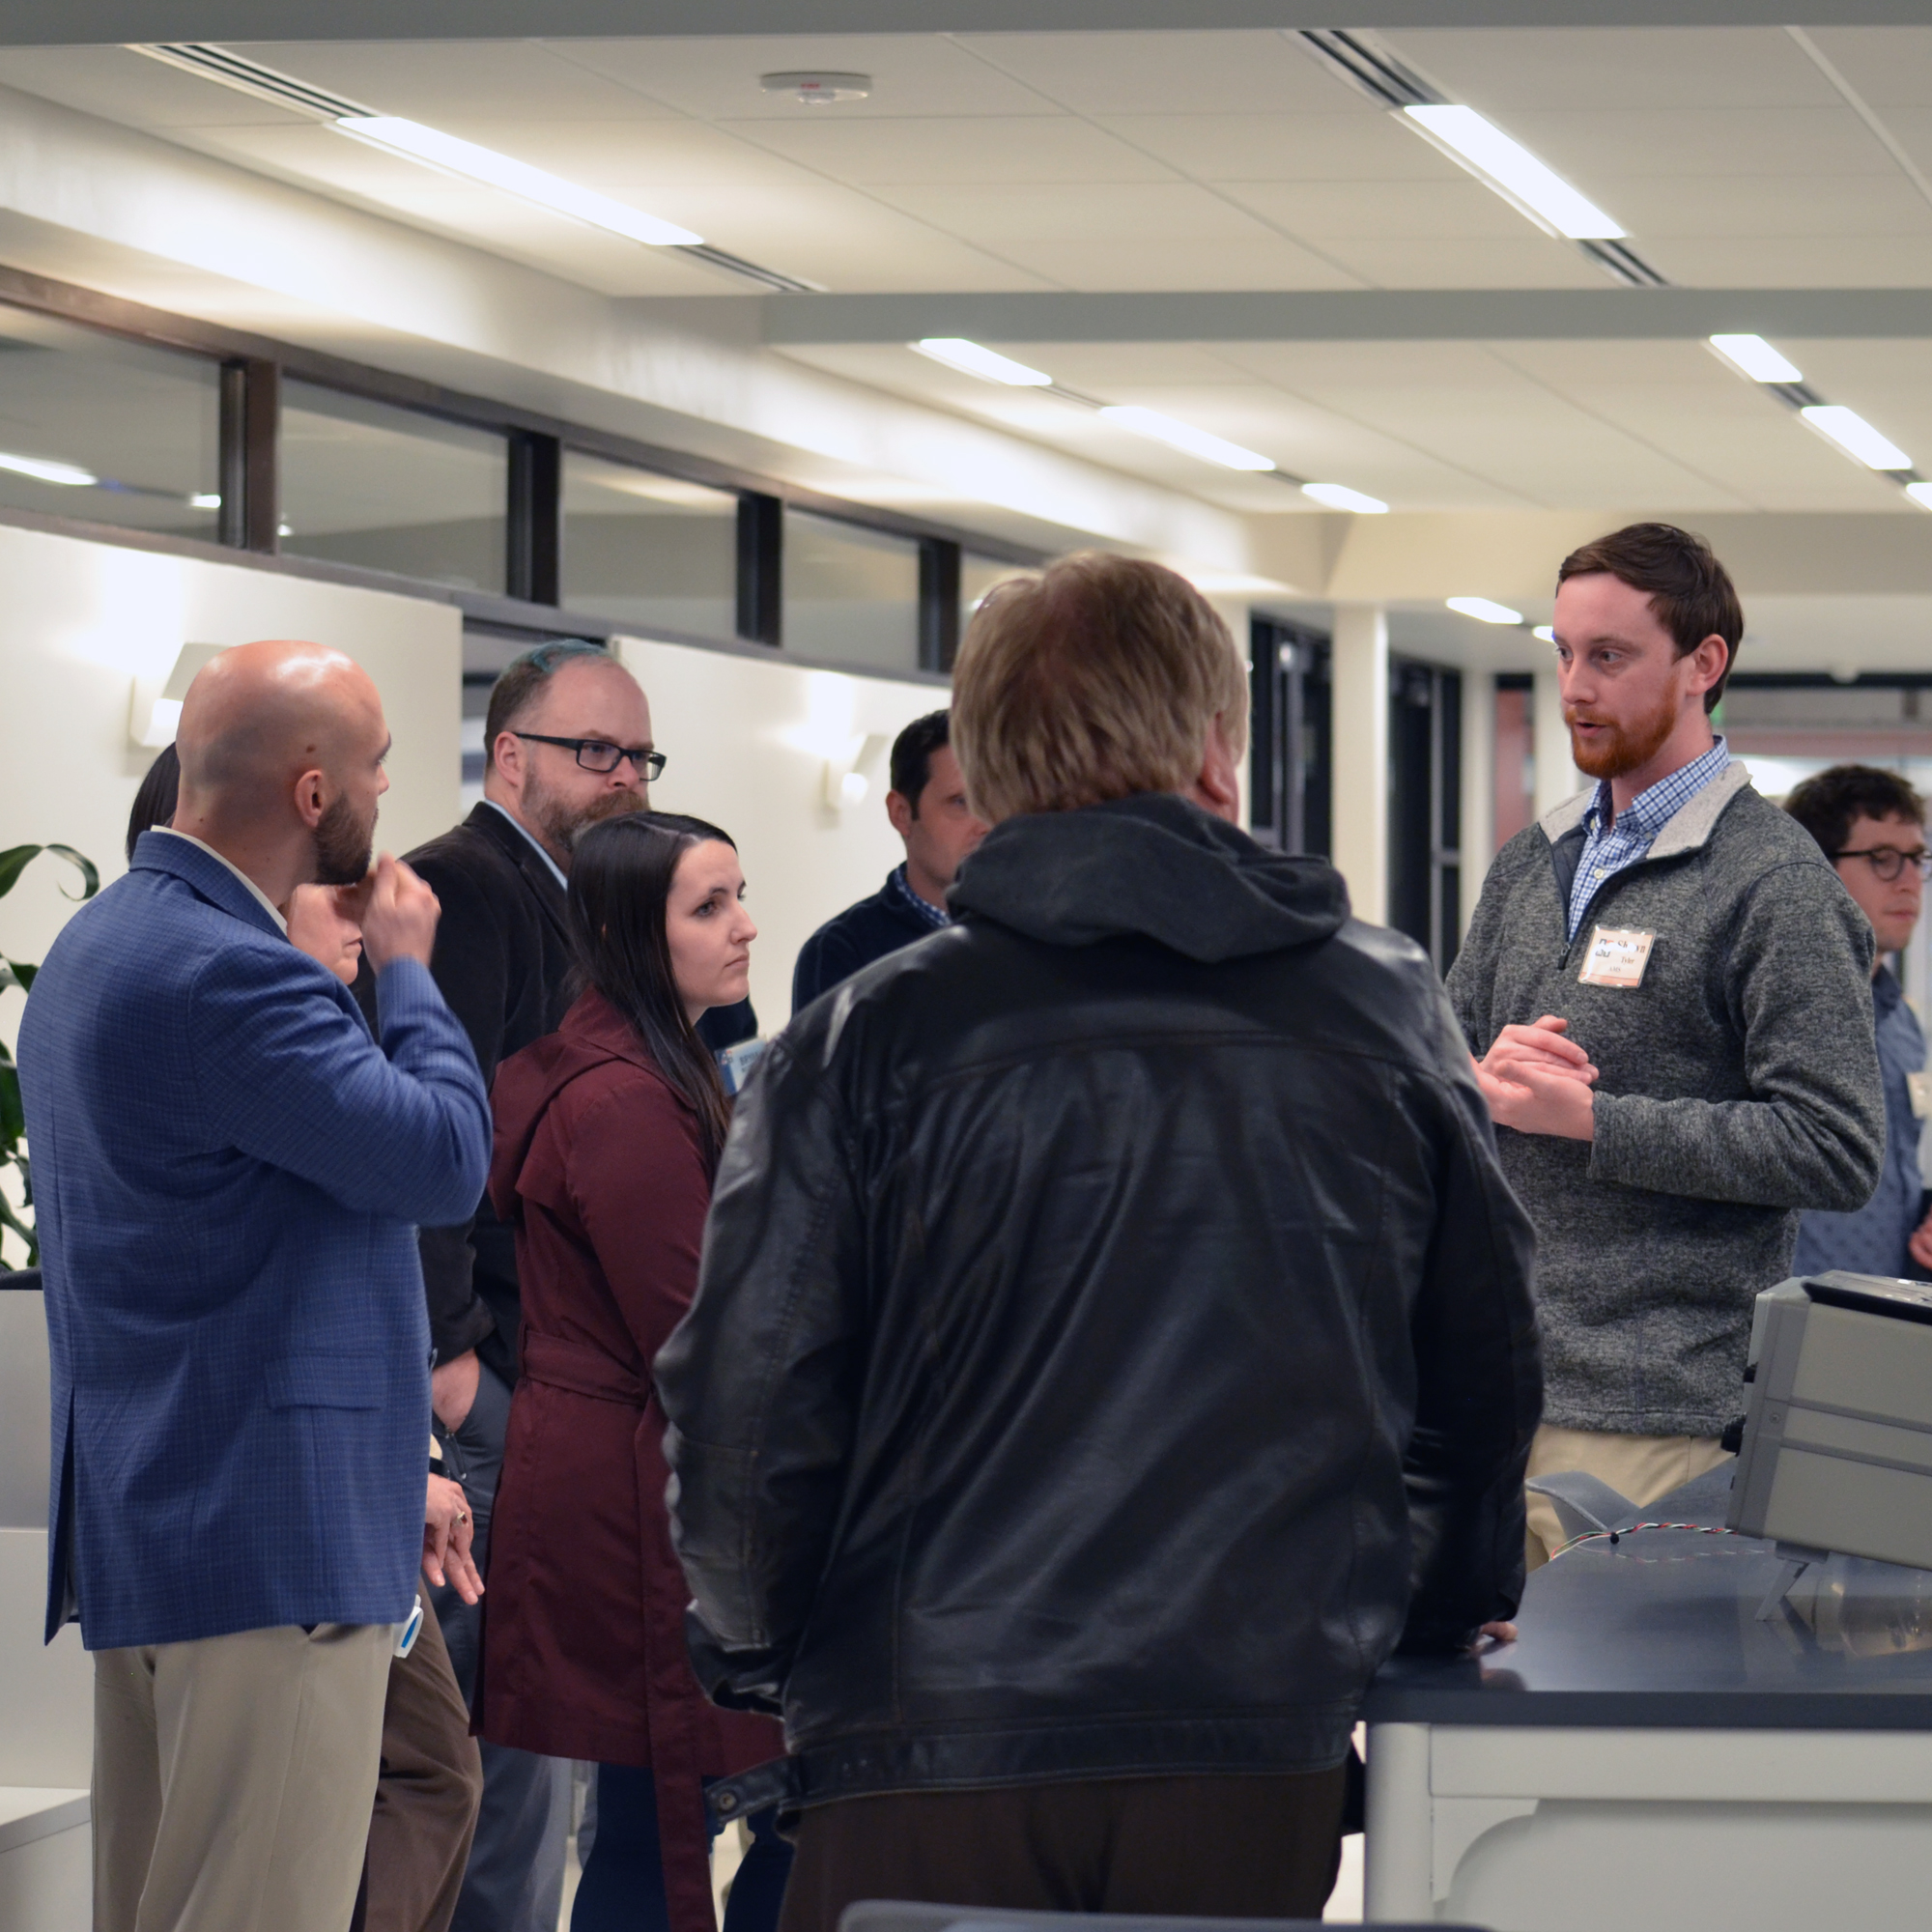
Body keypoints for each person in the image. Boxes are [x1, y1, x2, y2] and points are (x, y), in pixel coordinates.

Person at [656, 554, 1541, 1931]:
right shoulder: (1380, 1008)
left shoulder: (867, 1036)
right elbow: (1479, 1375)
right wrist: (1413, 1616)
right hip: (1249, 1733)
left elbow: (749, 1409)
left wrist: (770, 1656)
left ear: (991, 764)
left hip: (925, 1735)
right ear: (1218, 750)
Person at [19, 640, 492, 1932]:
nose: (389, 789)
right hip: (269, 1540)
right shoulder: (234, 971)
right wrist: (408, 968)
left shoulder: (99, 941)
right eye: (379, 763)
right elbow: (443, 1158)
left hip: (158, 1516)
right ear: (312, 790)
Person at [1446, 524, 1886, 1569]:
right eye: (1563, 652)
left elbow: (1835, 1146)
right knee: (1474, 1679)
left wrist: (1594, 1121)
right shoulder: (1531, 860)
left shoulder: (1774, 884)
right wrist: (1474, 1079)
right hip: (1496, 1387)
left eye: (1609, 655)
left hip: (1659, 1418)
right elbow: (1444, 1062)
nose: (1574, 686)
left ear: (1703, 663)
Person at [370, 638, 669, 1932]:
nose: (623, 777)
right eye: (593, 750)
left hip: (551, 1381)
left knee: (537, 1760)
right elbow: (429, 1131)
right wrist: (450, 1361)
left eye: (640, 756)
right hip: (488, 1379)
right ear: (508, 755)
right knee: (496, 1766)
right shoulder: (466, 887)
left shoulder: (577, 904)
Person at [478, 812, 789, 1932]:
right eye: (708, 906)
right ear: (623, 933)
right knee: (676, 1808)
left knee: (675, 1807)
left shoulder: (647, 1067)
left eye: (739, 895)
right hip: (631, 1485)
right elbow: (695, 1326)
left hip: (626, 1464)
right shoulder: (621, 1100)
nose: (744, 926)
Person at [1784, 766, 1932, 1280]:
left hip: (1884, 1306)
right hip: (1784, 1309)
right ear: (1818, 867)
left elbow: (1895, 1170)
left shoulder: (1902, 1021)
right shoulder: (1768, 1008)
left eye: (1917, 859)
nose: (1909, 882)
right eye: (1883, 859)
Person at [790, 709, 986, 1009]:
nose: (985, 824)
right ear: (901, 814)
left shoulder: (1034, 931)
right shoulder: (841, 952)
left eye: (995, 801)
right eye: (961, 802)